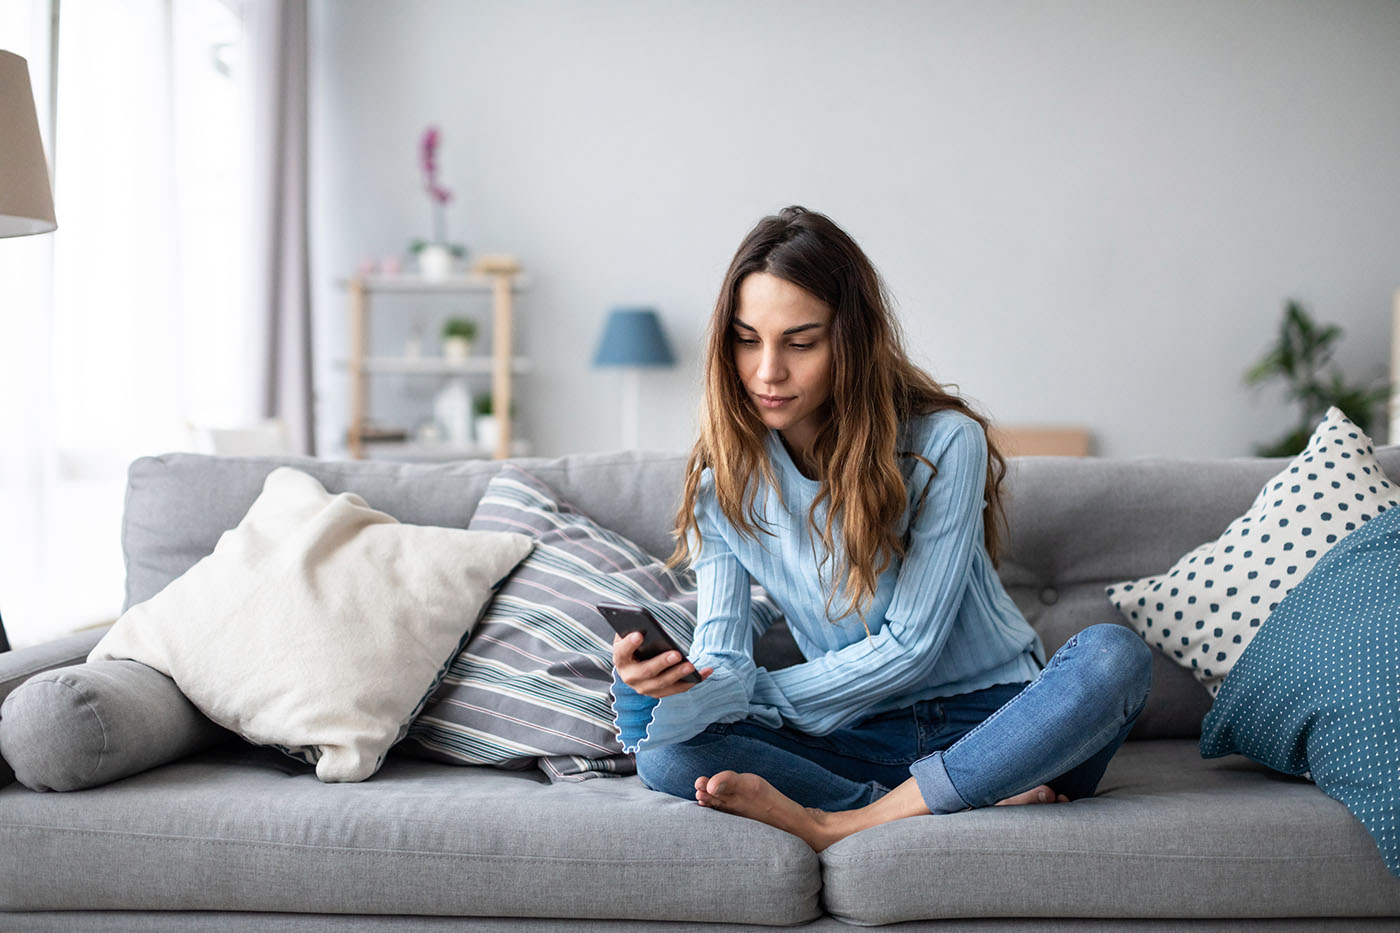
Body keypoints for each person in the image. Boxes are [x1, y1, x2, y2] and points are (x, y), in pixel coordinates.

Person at [610, 206, 1151, 851]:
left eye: (800, 342)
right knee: (666, 760)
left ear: (851, 341)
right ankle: (939, 804)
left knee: (1114, 657)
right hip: (857, 734)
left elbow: (910, 647)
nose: (767, 372)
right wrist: (663, 688)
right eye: (748, 339)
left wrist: (751, 694)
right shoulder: (720, 483)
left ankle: (846, 822)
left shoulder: (945, 443)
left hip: (1003, 723)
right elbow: (723, 656)